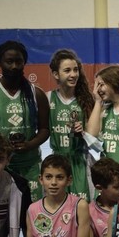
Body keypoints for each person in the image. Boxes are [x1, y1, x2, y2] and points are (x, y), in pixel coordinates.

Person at [0, 40, 50, 201]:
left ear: (24, 62)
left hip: (30, 165)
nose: (14, 66)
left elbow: (45, 129)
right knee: (2, 213)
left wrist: (29, 145)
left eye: (18, 61)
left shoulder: (37, 94)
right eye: (9, 61)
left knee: (30, 212)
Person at [47, 48, 94, 200]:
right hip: (57, 163)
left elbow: (97, 137)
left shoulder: (87, 100)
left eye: (75, 70)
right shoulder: (48, 98)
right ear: (56, 74)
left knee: (82, 206)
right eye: (67, 70)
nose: (73, 74)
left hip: (81, 162)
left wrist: (84, 133)